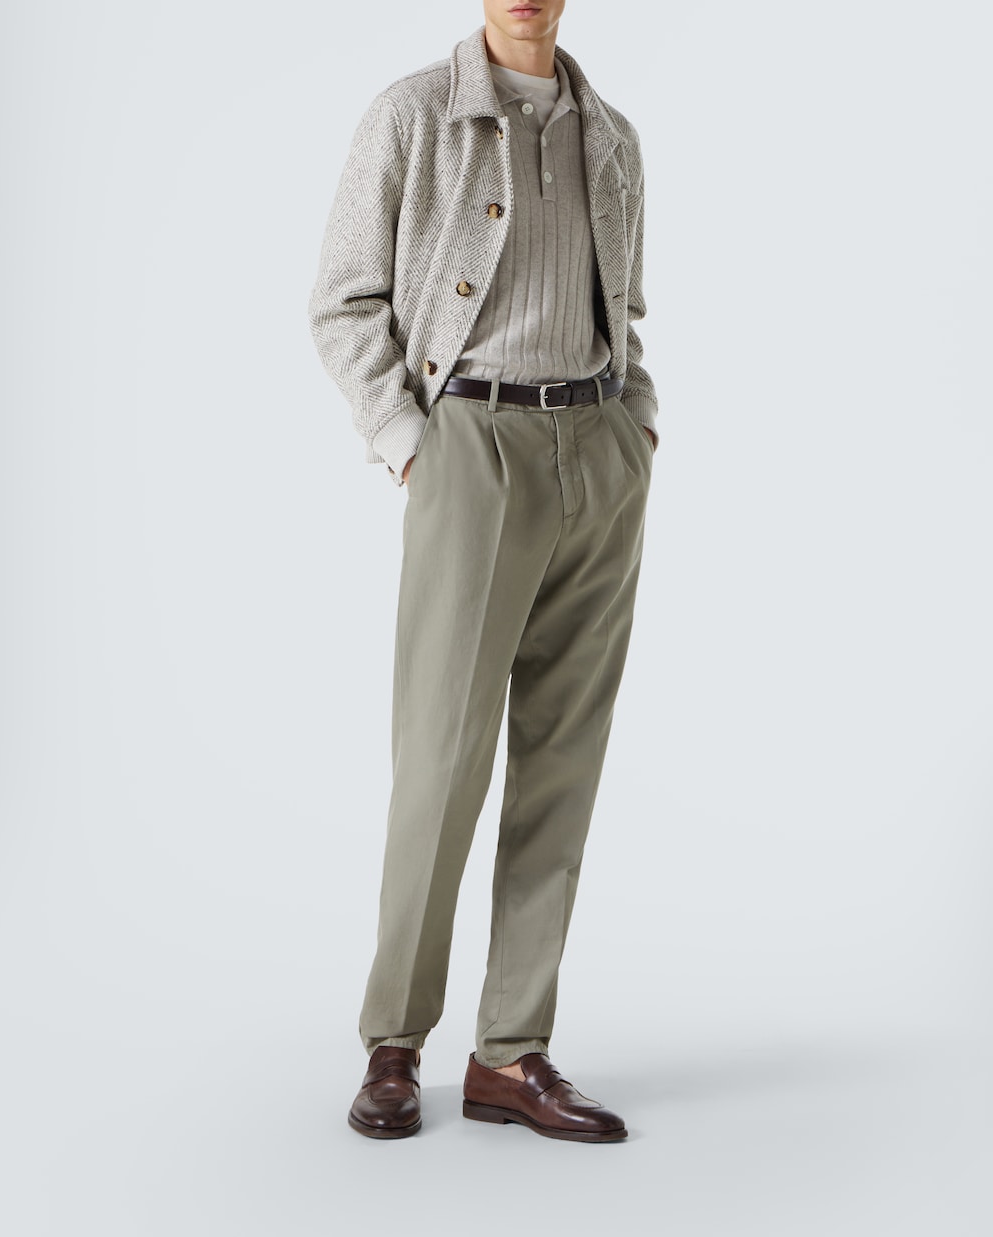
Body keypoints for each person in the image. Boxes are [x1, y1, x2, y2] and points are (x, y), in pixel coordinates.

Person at [308, 0, 657, 1143]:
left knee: (562, 761)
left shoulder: (609, 136)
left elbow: (624, 307)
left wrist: (635, 424)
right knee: (441, 758)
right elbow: (343, 299)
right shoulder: (413, 115)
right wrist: (412, 444)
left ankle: (511, 1051)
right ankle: (394, 1041)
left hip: (595, 449)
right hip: (470, 445)